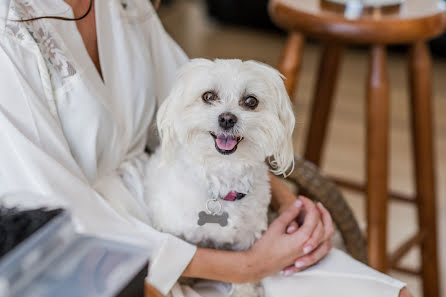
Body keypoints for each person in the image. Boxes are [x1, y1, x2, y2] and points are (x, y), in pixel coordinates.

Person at [0, 0, 412, 296]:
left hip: (197, 206)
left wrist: (288, 206)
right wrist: (249, 266)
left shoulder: (124, 7)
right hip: (99, 261)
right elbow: (60, 222)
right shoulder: (8, 35)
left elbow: (193, 117)